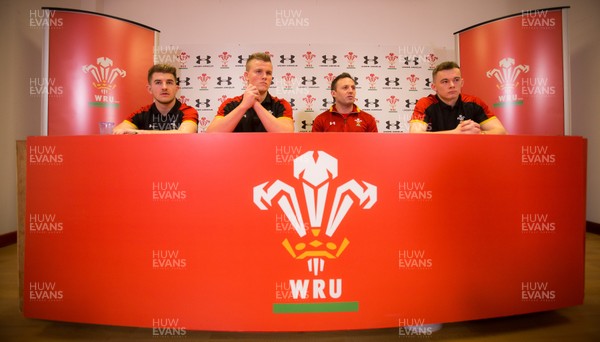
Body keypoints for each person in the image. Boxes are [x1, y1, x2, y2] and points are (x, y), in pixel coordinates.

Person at [409, 61, 506, 134]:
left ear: (462, 83)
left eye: (456, 80)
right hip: (435, 155)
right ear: (434, 87)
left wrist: (478, 134)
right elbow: (415, 135)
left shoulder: (474, 103)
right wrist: (456, 133)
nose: (452, 85)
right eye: (445, 81)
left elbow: (501, 131)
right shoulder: (425, 104)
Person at [206, 52, 294, 132]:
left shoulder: (281, 105)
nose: (264, 76)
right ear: (246, 76)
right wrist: (244, 106)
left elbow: (286, 134)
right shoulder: (230, 104)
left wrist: (255, 104)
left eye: (268, 73)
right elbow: (211, 134)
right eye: (258, 71)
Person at [112, 64, 198, 134]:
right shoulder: (142, 113)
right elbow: (118, 131)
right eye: (158, 83)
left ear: (176, 88)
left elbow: (185, 133)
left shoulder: (188, 111)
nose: (164, 87)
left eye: (169, 82)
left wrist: (138, 133)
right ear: (150, 89)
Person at [312, 72, 378, 132]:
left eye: (353, 88)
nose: (350, 91)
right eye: (345, 88)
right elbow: (315, 144)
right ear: (333, 93)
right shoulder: (321, 120)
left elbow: (374, 145)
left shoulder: (368, 119)